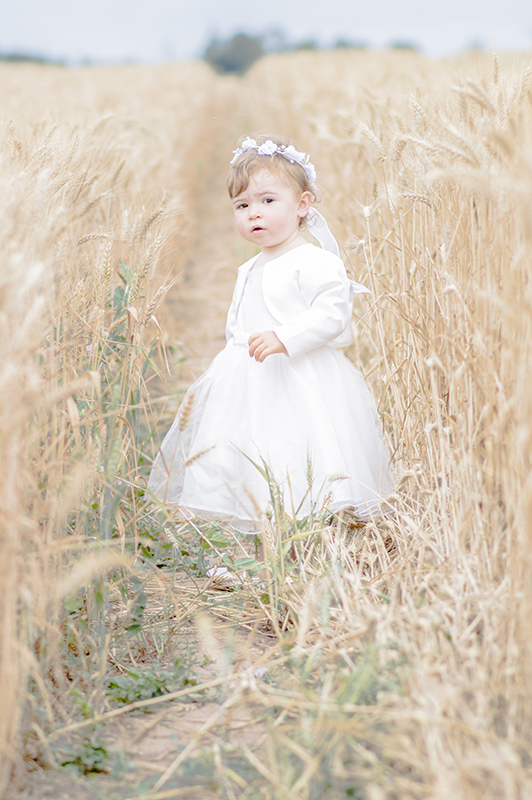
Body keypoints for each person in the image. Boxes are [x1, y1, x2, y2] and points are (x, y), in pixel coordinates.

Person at [148, 135, 395, 532]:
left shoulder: (313, 261)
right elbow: (238, 324)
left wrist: (285, 337)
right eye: (242, 206)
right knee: (250, 447)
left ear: (302, 205)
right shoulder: (249, 267)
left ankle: (310, 530)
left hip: (299, 375)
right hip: (249, 377)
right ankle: (263, 532)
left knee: (297, 445)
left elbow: (333, 314)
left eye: (267, 201)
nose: (254, 213)